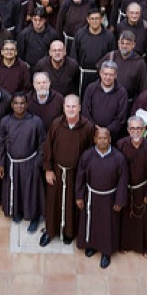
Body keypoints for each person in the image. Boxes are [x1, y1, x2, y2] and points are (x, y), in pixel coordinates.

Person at [40, 95, 96, 247]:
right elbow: (48, 147)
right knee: (53, 202)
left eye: (74, 106)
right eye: (68, 107)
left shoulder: (88, 127)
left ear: (79, 108)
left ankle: (69, 232)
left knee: (73, 203)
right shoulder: (56, 124)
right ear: (63, 108)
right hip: (57, 172)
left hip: (76, 173)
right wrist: (48, 169)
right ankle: (50, 231)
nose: (71, 110)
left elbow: (91, 152)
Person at [75, 127, 129, 269]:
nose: (102, 140)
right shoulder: (87, 156)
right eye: (99, 137)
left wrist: (119, 200)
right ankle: (91, 245)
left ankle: (106, 252)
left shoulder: (118, 158)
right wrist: (79, 196)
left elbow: (123, 181)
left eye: (105, 138)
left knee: (107, 225)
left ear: (110, 139)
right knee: (91, 222)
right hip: (91, 196)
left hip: (109, 198)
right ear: (94, 139)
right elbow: (80, 177)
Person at [0, 94, 46, 230]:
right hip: (11, 162)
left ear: (27, 105)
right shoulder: (5, 121)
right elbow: (0, 143)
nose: (19, 106)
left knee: (31, 191)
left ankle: (34, 217)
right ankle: (17, 211)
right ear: (12, 105)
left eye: (22, 103)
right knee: (16, 189)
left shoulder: (36, 122)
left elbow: (42, 143)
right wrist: (0, 163)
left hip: (30, 162)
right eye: (16, 103)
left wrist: (38, 162)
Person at [116, 118, 147, 258]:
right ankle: (126, 244)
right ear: (128, 130)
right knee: (126, 218)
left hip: (143, 188)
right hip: (125, 188)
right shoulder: (121, 144)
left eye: (139, 129)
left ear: (144, 130)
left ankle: (146, 247)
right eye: (133, 129)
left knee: (144, 219)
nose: (136, 131)